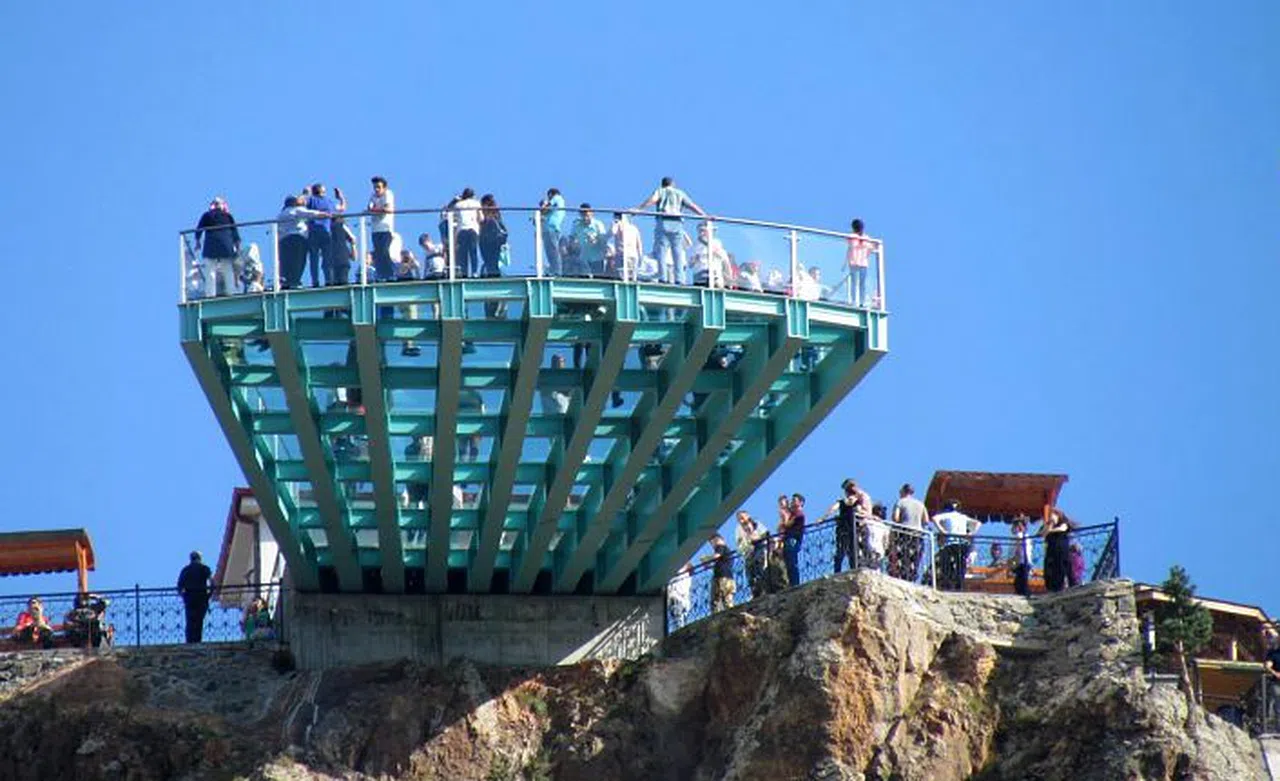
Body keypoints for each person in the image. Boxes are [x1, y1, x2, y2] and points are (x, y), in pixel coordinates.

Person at [636, 177, 706, 285]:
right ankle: (679, 278)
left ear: (663, 184)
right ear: (673, 184)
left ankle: (662, 277)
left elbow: (652, 200)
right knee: (677, 252)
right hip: (677, 224)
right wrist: (704, 216)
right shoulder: (680, 193)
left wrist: (639, 209)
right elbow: (692, 206)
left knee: (662, 251)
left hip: (663, 222)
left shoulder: (660, 191)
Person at [276, 195, 330, 289]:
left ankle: (286, 282)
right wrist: (326, 215)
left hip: (283, 241)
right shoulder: (296, 210)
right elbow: (311, 214)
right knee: (299, 261)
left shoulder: (280, 215)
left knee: (286, 262)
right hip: (297, 239)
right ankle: (295, 282)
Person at [193, 197, 241, 297]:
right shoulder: (228, 216)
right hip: (226, 246)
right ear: (222, 205)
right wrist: (237, 247)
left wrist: (197, 242)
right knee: (227, 269)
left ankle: (210, 294)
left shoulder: (207, 215)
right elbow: (235, 232)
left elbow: (199, 229)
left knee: (210, 270)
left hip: (211, 246)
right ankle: (231, 292)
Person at [931, 501, 981, 591]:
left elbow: (934, 518)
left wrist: (942, 530)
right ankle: (959, 585)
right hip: (962, 543)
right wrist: (971, 533)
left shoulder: (947, 515)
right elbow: (978, 523)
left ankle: (947, 584)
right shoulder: (963, 517)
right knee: (960, 565)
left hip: (950, 543)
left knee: (946, 563)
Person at [305, 183, 344, 287]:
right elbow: (342, 208)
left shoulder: (311, 200)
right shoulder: (329, 202)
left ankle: (315, 281)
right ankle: (328, 280)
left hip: (313, 233)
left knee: (314, 259)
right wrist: (341, 198)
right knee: (327, 258)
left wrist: (305, 193)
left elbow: (300, 203)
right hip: (325, 233)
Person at [890, 483, 928, 582]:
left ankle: (904, 576)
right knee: (915, 557)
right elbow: (926, 521)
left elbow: (895, 518)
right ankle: (913, 576)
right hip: (918, 533)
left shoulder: (900, 502)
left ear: (903, 491)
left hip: (905, 532)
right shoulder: (920, 504)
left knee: (904, 555)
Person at [824, 479, 862, 574]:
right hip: (852, 529)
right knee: (852, 551)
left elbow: (832, 509)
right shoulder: (857, 502)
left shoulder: (841, 502)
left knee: (841, 551)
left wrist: (822, 518)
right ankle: (854, 569)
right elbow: (859, 512)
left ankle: (838, 571)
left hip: (843, 529)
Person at [177, 551, 213, 644]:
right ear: (200, 558)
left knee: (190, 620)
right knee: (199, 620)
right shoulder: (204, 568)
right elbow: (212, 583)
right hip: (201, 598)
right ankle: (197, 641)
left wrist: (184, 596)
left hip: (190, 599)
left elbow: (179, 587)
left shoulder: (185, 570)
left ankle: (189, 641)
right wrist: (209, 595)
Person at [367, 176, 396, 282]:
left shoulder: (388, 194)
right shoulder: (372, 196)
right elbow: (369, 208)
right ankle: (381, 275)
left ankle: (391, 274)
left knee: (384, 252)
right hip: (375, 230)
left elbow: (387, 209)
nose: (376, 189)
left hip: (385, 229)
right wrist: (376, 210)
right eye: (375, 187)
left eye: (379, 187)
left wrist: (375, 210)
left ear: (384, 187)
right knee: (378, 254)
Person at [567, 204, 607, 277]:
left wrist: (595, 241)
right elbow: (571, 238)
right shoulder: (576, 224)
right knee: (584, 279)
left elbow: (603, 240)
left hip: (597, 258)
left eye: (587, 215)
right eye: (583, 215)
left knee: (598, 278)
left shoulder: (598, 224)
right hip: (583, 259)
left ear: (592, 213)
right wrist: (573, 245)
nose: (585, 218)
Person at [735, 511, 768, 598]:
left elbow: (765, 534)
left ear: (747, 516)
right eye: (739, 519)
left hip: (759, 548)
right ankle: (755, 593)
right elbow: (739, 543)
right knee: (750, 573)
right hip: (748, 553)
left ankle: (764, 590)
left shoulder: (756, 523)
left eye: (742, 517)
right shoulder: (738, 529)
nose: (741, 520)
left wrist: (756, 538)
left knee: (759, 568)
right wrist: (744, 546)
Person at [451, 188, 483, 278]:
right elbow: (481, 218)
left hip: (461, 230)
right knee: (473, 251)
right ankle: (474, 272)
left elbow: (453, 217)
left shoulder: (458, 205)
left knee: (463, 254)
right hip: (472, 229)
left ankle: (464, 273)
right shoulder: (476, 203)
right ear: (473, 195)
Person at [1041, 507, 1074, 592]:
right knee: (1049, 571)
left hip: (1061, 551)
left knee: (1061, 569)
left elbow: (1062, 529)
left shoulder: (1063, 524)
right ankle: (1052, 588)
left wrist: (1050, 530)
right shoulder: (1049, 526)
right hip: (1051, 552)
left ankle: (1063, 587)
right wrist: (1049, 525)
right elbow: (1043, 534)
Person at [690, 221, 732, 288]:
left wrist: (711, 247)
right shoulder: (695, 246)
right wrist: (695, 259)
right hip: (700, 276)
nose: (702, 233)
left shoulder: (716, 243)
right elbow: (690, 264)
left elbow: (724, 259)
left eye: (704, 231)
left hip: (714, 275)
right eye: (700, 231)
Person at [478, 194, 509, 280]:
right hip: (495, 241)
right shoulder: (496, 213)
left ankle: (493, 276)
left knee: (490, 261)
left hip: (489, 241)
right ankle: (494, 275)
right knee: (493, 262)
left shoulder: (489, 216)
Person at [608, 212, 644, 281]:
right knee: (626, 277)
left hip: (627, 256)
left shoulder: (632, 228)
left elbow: (612, 232)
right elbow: (639, 245)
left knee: (627, 277)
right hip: (626, 256)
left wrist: (615, 224)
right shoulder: (633, 228)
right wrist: (640, 256)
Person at [539, 187, 567, 275]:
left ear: (551, 194)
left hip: (551, 228)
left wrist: (543, 208)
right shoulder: (557, 206)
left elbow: (546, 208)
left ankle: (557, 271)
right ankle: (553, 269)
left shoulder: (557, 198)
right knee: (550, 251)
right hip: (549, 229)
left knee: (553, 251)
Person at [846, 218, 874, 307]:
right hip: (857, 263)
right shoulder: (854, 237)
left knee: (860, 283)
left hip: (859, 263)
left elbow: (870, 248)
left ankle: (860, 301)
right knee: (856, 283)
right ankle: (856, 301)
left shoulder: (864, 237)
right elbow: (852, 245)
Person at [709, 534, 735, 613]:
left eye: (715, 541)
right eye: (712, 543)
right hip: (727, 576)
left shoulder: (720, 547)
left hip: (722, 577)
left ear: (721, 540)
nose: (714, 544)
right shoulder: (726, 550)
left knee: (718, 600)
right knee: (726, 600)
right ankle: (731, 614)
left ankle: (721, 615)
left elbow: (716, 556)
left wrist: (707, 560)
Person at [784, 494, 807, 587]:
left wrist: (786, 513)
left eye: (794, 500)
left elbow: (787, 524)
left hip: (793, 539)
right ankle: (792, 583)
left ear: (801, 503)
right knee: (789, 562)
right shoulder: (794, 514)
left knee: (792, 562)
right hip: (790, 539)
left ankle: (795, 583)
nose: (792, 502)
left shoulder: (799, 514)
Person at [1011, 515, 1034, 596]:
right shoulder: (1026, 536)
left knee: (1021, 582)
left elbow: (1017, 550)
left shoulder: (1020, 536)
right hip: (1025, 562)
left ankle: (1026, 595)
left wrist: (1014, 560)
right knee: (1021, 581)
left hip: (1023, 562)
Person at [1264, 630, 1280, 732]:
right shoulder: (1273, 653)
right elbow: (1267, 665)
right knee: (1278, 705)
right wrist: (1276, 673)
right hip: (1277, 683)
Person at [667, 563, 692, 629]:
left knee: (678, 622)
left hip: (678, 599)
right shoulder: (687, 577)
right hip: (682, 600)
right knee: (681, 621)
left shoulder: (683, 575)